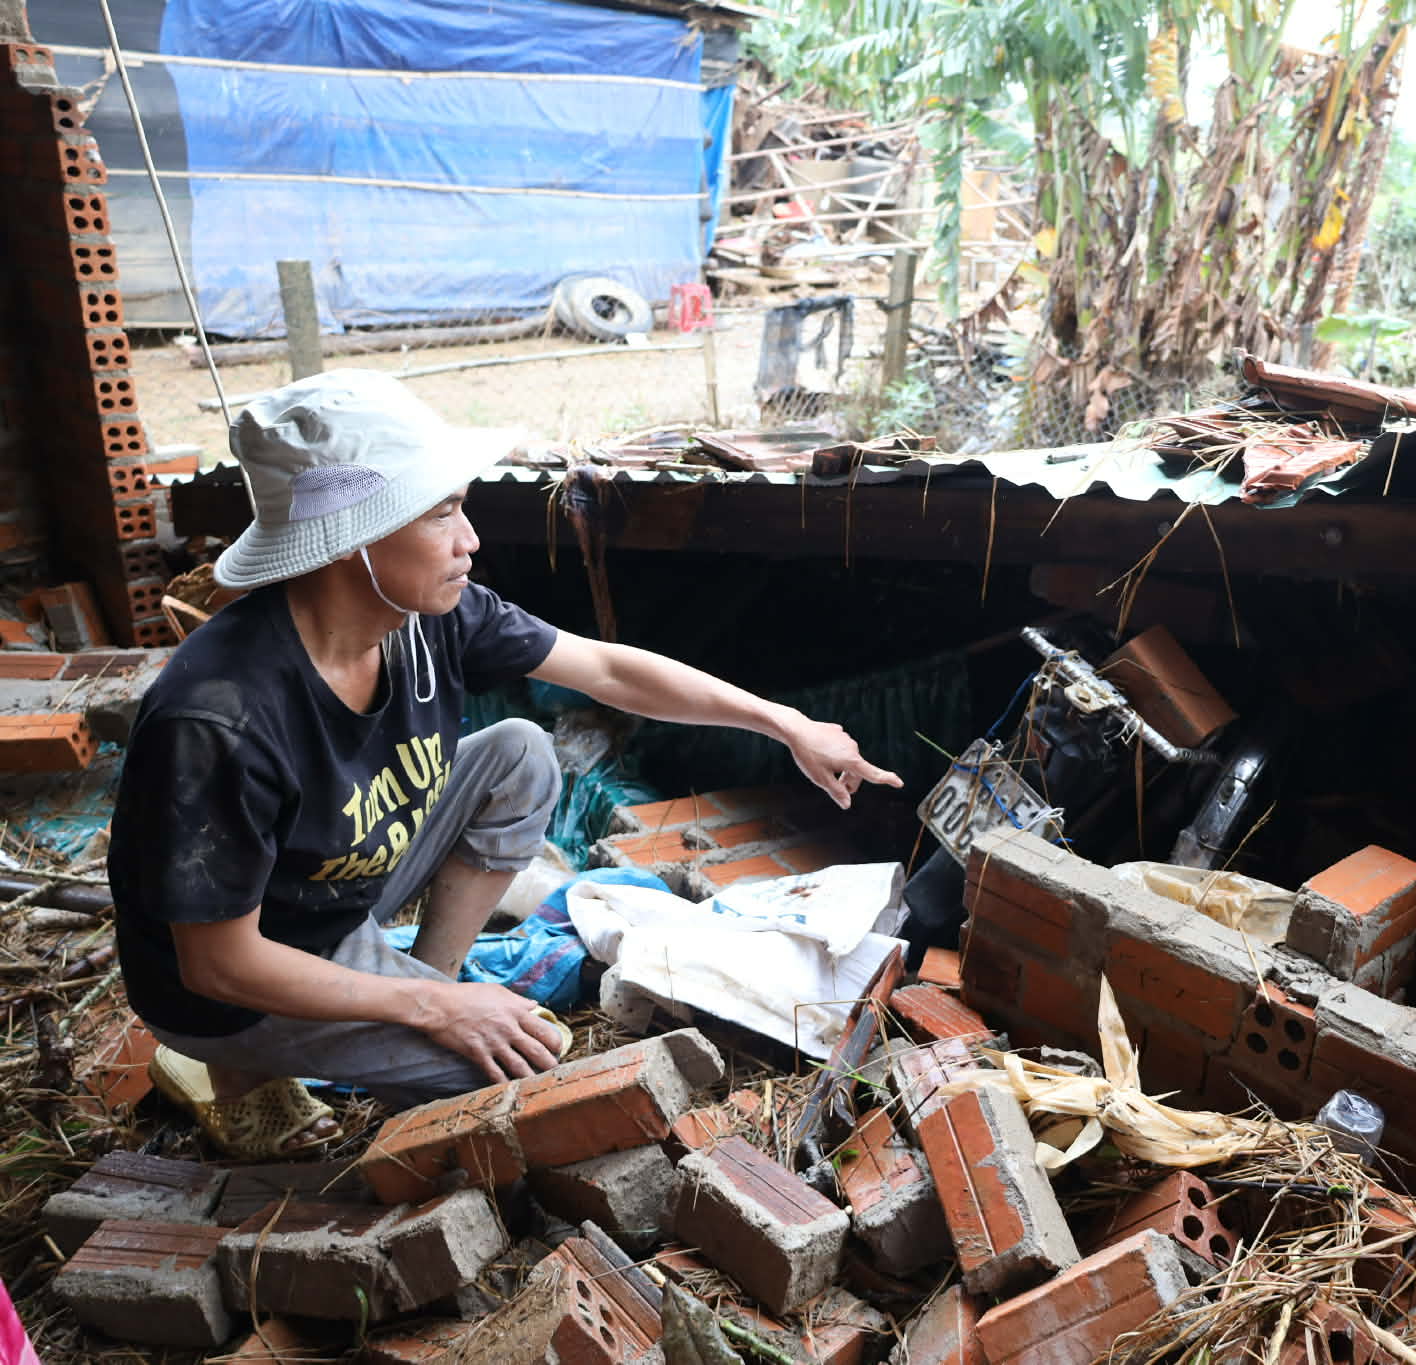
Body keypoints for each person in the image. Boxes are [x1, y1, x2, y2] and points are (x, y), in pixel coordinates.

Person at [109, 370, 900, 1157]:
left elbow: (609, 670)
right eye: (443, 513)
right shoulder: (220, 717)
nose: (472, 541)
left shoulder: (423, 619)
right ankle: (236, 1070)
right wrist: (431, 1012)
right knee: (496, 1080)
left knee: (521, 754)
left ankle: (424, 991)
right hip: (233, 986)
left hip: (329, 892)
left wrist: (783, 721)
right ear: (352, 537)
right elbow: (217, 960)